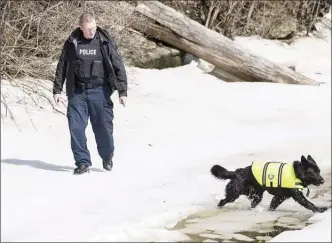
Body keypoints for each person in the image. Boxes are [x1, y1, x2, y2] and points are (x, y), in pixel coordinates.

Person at [53, 12, 127, 175]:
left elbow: (118, 65)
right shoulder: (72, 42)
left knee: (103, 128)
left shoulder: (104, 41)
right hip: (78, 91)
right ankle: (82, 162)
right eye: (88, 30)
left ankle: (107, 156)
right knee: (76, 127)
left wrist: (123, 91)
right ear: (80, 28)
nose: (92, 32)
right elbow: (62, 65)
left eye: (94, 28)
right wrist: (57, 89)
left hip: (99, 91)